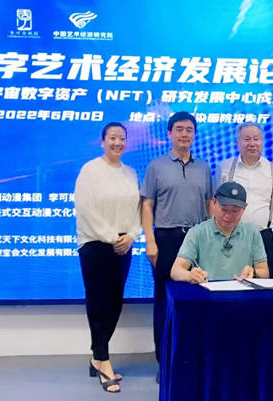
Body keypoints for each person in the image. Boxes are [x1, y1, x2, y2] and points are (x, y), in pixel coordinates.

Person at [140, 111, 213, 368]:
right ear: (169, 133)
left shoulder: (203, 167)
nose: (184, 134)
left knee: (198, 294)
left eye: (189, 130)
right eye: (179, 129)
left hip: (198, 238)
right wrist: (150, 241)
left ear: (194, 134)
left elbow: (209, 203)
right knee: (165, 299)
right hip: (166, 239)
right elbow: (147, 205)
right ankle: (164, 362)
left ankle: (192, 359)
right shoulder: (156, 166)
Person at [74, 122, 141, 393]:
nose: (117, 142)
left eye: (121, 138)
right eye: (112, 138)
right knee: (99, 303)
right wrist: (113, 237)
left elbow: (137, 210)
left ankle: (97, 357)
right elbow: (86, 210)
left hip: (124, 245)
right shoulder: (90, 171)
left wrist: (132, 235)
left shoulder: (130, 173)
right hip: (96, 245)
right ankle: (103, 360)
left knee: (114, 303)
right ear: (103, 141)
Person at [216, 123, 273, 277]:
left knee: (264, 285)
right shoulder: (224, 168)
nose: (252, 143)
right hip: (230, 236)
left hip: (263, 237)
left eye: (256, 139)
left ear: (262, 142)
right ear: (237, 143)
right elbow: (215, 205)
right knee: (230, 281)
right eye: (246, 139)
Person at [171, 182, 269, 283]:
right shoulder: (197, 232)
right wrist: (190, 275)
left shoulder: (252, 233)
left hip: (242, 290)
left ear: (244, 209)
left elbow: (264, 272)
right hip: (207, 290)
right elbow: (176, 271)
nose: (228, 215)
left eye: (235, 211)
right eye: (224, 209)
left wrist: (254, 273)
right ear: (214, 203)